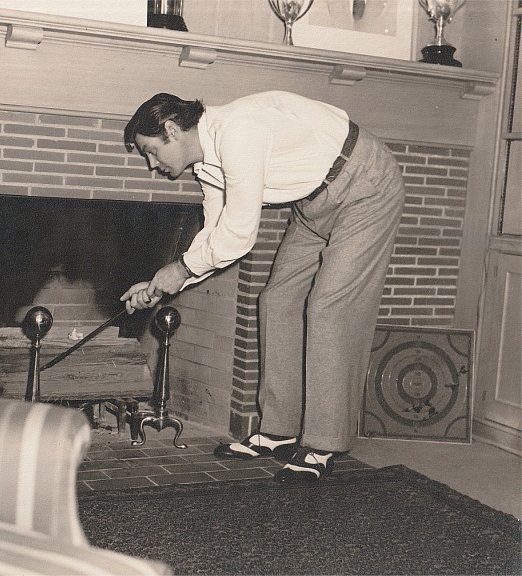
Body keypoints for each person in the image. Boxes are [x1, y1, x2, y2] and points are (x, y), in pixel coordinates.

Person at [120, 91, 405, 483]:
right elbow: (214, 238)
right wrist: (162, 283)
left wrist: (181, 270)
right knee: (277, 300)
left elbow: (239, 236)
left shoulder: (237, 132)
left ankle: (323, 445)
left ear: (172, 130)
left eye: (151, 152)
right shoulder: (207, 166)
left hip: (365, 185)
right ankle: (278, 431)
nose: (153, 165)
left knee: (328, 308)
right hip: (312, 203)